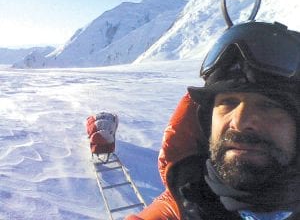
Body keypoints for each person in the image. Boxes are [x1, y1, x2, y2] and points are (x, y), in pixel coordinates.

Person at [125, 20, 300, 220]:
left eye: (269, 105)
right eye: (228, 102)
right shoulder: (178, 208)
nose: (240, 122)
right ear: (208, 123)